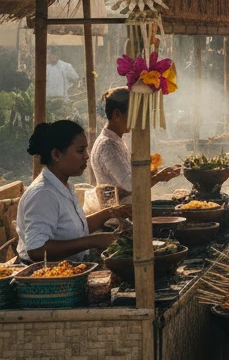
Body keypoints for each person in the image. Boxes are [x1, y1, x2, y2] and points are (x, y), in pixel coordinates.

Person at [17, 120, 129, 262]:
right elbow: (36, 250)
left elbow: (75, 229)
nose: (86, 156)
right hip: (45, 278)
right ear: (56, 155)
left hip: (70, 268)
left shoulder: (65, 185)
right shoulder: (43, 194)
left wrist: (110, 213)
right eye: (80, 151)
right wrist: (93, 241)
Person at [90, 86, 181, 197]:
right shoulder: (108, 145)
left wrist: (154, 171)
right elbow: (130, 185)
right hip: (119, 211)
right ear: (117, 114)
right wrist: (158, 178)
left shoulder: (115, 140)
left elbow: (129, 176)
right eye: (133, 115)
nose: (137, 120)